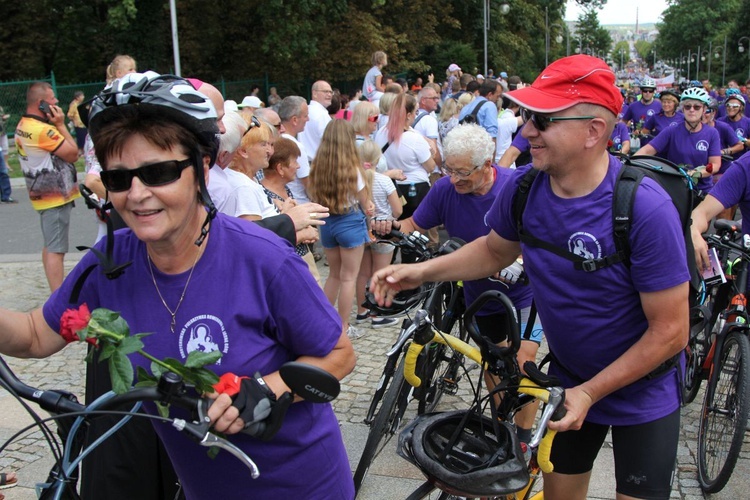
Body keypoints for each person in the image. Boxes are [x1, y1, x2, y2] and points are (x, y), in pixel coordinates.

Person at [0, 73, 356, 499]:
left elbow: (339, 354)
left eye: (159, 172)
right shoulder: (112, 262)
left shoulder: (263, 258)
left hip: (298, 486)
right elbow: (37, 334)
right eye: (118, 178)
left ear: (201, 168)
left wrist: (266, 389)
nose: (136, 194)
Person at [370, 55, 689, 500]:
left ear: (593, 131)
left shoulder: (645, 208)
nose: (527, 131)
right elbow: (492, 251)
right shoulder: (524, 189)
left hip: (643, 391)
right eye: (525, 117)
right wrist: (420, 272)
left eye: (542, 119)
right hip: (570, 378)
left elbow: (671, 331)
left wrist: (591, 393)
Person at [371, 123, 540, 442]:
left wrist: (519, 261)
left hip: (526, 294)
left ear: (487, 165)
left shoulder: (515, 187)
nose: (455, 178)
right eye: (449, 169)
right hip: (481, 291)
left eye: (463, 172)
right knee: (492, 360)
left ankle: (524, 438)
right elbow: (414, 224)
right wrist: (391, 227)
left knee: (522, 362)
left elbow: (542, 237)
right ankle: (502, 429)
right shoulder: (446, 189)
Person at [309, 120, 374, 340]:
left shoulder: (318, 166)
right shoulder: (353, 168)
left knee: (334, 276)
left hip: (328, 224)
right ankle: (344, 327)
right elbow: (366, 203)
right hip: (350, 221)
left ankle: (324, 323)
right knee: (349, 278)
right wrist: (370, 209)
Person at [14, 82, 80, 291]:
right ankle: (57, 297)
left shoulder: (23, 125)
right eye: (52, 99)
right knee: (56, 249)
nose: (57, 102)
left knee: (50, 244)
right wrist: (60, 125)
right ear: (41, 104)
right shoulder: (42, 131)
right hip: (55, 197)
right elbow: (72, 154)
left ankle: (55, 292)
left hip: (41, 195)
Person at [636, 87, 721, 194]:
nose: (692, 110)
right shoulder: (671, 131)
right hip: (675, 187)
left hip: (701, 189)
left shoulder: (712, 133)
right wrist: (630, 162)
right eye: (687, 106)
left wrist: (695, 173)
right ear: (683, 109)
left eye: (697, 107)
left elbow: (715, 164)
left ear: (704, 110)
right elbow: (647, 150)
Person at [354, 139, 402, 328]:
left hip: (363, 228)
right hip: (384, 230)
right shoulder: (384, 180)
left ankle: (361, 311)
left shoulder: (355, 180)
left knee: (362, 273)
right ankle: (377, 315)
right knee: (380, 273)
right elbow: (397, 210)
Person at [374, 93, 436, 220]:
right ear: (408, 115)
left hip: (391, 186)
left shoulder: (381, 133)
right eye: (415, 111)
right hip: (415, 188)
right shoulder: (414, 138)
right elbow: (430, 167)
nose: (416, 115)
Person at [457, 80, 501, 145]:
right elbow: (492, 135)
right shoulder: (490, 105)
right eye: (497, 96)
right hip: (480, 149)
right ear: (490, 94)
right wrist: (492, 154)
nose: (498, 99)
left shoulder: (466, 107)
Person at [298, 80, 333, 162]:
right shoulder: (322, 115)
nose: (329, 94)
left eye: (331, 92)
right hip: (319, 164)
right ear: (314, 93)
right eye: (325, 91)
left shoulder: (306, 110)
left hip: (305, 163)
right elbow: (330, 143)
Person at [621, 77, 661, 146]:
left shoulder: (659, 106)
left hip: (655, 143)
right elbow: (623, 122)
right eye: (645, 90)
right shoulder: (633, 106)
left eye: (650, 91)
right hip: (638, 143)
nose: (647, 93)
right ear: (641, 91)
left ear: (653, 92)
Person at [67, 90, 87, 157]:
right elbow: (70, 115)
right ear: (77, 97)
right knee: (80, 138)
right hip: (78, 125)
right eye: (82, 96)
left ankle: (84, 151)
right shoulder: (74, 104)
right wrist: (74, 121)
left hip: (83, 124)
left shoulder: (79, 104)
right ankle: (80, 152)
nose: (83, 97)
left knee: (84, 137)